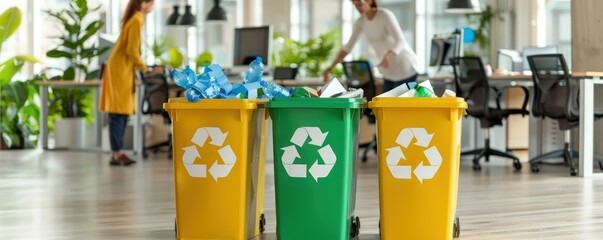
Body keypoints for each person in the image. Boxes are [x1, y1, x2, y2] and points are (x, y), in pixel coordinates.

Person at [99, 0, 158, 166]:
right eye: (151, 3)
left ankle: (117, 153)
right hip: (120, 70)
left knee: (121, 111)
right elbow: (132, 51)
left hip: (121, 69)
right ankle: (117, 154)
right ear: (142, 4)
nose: (153, 6)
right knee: (118, 112)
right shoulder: (137, 19)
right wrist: (145, 69)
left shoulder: (134, 18)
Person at [323, 0, 419, 93]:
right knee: (385, 106)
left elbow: (401, 41)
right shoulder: (361, 22)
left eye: (360, 4)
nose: (358, 8)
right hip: (389, 72)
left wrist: (387, 56)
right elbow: (347, 48)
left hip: (406, 67)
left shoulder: (384, 15)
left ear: (370, 1)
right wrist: (330, 68)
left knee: (399, 107)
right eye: (355, 5)